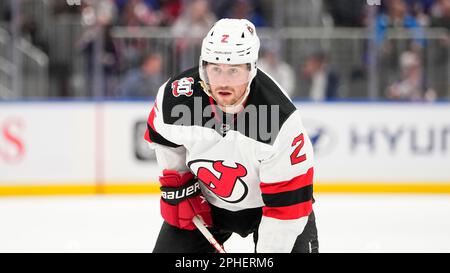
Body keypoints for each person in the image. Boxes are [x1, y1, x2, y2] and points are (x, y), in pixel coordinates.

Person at [144, 19, 318, 253]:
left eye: (234, 70)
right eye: (215, 69)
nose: (223, 82)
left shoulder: (279, 119)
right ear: (203, 66)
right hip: (207, 206)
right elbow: (161, 135)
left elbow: (286, 210)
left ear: (251, 69)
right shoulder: (176, 97)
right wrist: (179, 180)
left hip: (273, 208)